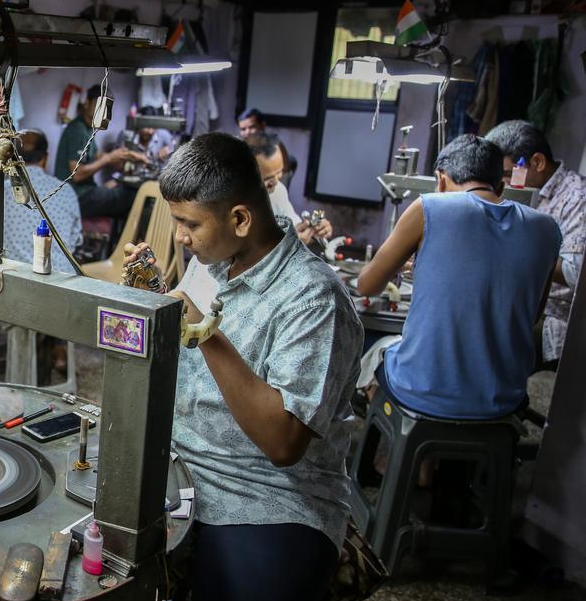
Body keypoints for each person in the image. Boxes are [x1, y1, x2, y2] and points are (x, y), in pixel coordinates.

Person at [127, 132, 362, 601]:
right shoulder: (213, 263)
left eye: (189, 224)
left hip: (275, 501)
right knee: (86, 592)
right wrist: (153, 297)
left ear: (238, 217)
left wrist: (204, 332)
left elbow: (284, 442)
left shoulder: (313, 297)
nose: (180, 236)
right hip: (186, 474)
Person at [358, 135, 560, 420]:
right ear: (501, 187)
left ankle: (398, 456)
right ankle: (434, 459)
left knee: (369, 342)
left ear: (440, 180)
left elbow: (367, 285)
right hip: (503, 398)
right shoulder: (547, 229)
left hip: (421, 393)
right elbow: (533, 313)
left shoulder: (428, 208)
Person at [483, 120, 584, 362]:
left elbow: (575, 272)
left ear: (537, 162)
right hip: (510, 306)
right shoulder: (511, 192)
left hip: (551, 319)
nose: (501, 184)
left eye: (506, 175)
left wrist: (523, 248)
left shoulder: (576, 198)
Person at [0, 129, 82, 273]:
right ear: (45, 158)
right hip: (61, 281)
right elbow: (75, 240)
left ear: (8, 158)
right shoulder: (66, 191)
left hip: (15, 282)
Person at [53, 84, 149, 220]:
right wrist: (109, 158)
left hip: (84, 193)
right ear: (87, 104)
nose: (103, 111)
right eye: (100, 106)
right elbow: (77, 174)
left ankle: (117, 237)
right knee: (132, 195)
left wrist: (127, 155)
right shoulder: (78, 130)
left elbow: (98, 155)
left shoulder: (87, 128)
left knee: (122, 192)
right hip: (75, 197)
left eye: (107, 107)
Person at [245, 132, 332, 246]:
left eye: (279, 172)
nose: (276, 182)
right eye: (268, 178)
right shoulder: (227, 202)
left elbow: (294, 229)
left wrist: (314, 231)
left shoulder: (277, 191)